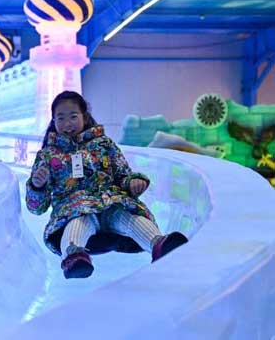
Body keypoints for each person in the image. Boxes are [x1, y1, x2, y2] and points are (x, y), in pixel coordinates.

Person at [26, 91, 188, 279]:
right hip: (74, 209)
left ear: (84, 117)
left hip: (111, 203)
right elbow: (36, 208)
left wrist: (133, 182)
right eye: (60, 118)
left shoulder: (103, 144)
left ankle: (159, 244)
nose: (67, 123)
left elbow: (123, 173)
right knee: (78, 223)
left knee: (129, 218)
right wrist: (37, 186)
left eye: (73, 116)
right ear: (53, 121)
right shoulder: (48, 155)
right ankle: (74, 257)